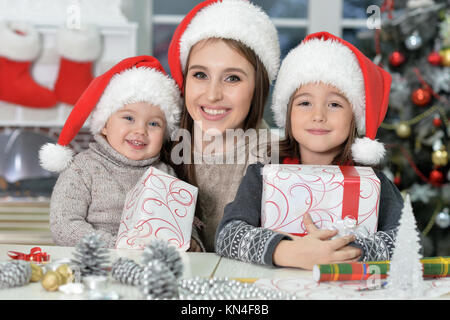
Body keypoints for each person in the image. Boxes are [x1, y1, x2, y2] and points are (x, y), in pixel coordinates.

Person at [215, 32, 404, 270]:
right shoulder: (263, 175)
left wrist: (341, 250)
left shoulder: (374, 183)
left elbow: (405, 240)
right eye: (304, 103)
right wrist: (287, 251)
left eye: (334, 104)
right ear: (288, 114)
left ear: (355, 117)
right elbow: (228, 235)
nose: (318, 116)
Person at [167, 0, 281, 252]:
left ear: (258, 87)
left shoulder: (276, 161)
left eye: (232, 78)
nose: (212, 95)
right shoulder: (160, 145)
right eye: (200, 75)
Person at [39, 56, 182, 247]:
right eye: (129, 118)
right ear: (105, 125)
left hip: (146, 266)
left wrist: (192, 240)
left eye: (154, 123)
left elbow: (180, 222)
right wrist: (115, 246)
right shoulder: (82, 168)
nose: (140, 130)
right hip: (92, 263)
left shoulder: (165, 174)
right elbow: (64, 226)